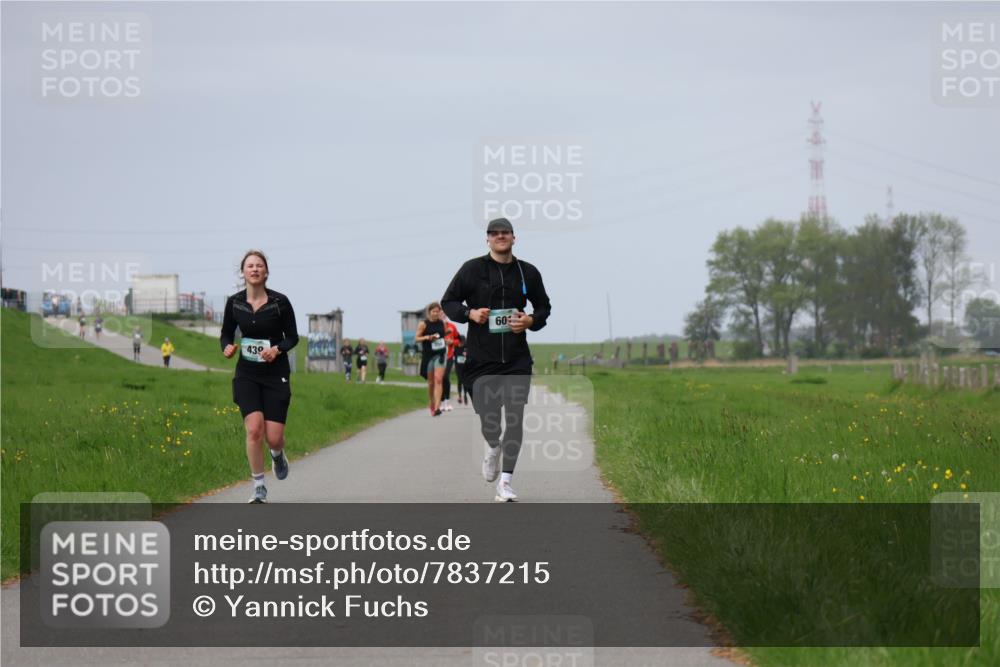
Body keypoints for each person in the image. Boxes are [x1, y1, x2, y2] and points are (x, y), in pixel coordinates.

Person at [442, 217, 551, 502]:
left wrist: (530, 320)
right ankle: (493, 447)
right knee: (491, 421)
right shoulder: (472, 269)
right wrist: (470, 314)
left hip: (516, 359)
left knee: (515, 419)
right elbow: (449, 302)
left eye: (506, 233)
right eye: (495, 233)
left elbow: (544, 307)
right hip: (481, 359)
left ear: (514, 238)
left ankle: (505, 482)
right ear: (487, 239)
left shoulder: (528, 273)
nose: (501, 237)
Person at [221, 249, 299, 504]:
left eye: (259, 266)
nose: (254, 269)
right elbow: (226, 333)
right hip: (247, 374)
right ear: (243, 272)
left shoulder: (280, 302)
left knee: (273, 437)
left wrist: (277, 350)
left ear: (266, 272)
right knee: (254, 430)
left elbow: (293, 337)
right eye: (250, 265)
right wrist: (227, 347)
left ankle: (277, 455)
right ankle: (259, 486)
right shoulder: (234, 302)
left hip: (276, 373)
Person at [415, 302, 448, 416]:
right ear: (429, 312)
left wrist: (446, 340)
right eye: (433, 311)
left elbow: (443, 337)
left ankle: (437, 408)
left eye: (437, 311)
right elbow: (417, 338)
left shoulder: (442, 323)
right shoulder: (423, 324)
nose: (435, 313)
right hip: (428, 355)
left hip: (439, 354)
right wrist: (427, 337)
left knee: (438, 379)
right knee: (431, 383)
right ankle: (432, 403)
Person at [440, 317, 460, 411]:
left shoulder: (452, 326)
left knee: (445, 377)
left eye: (443, 314)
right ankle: (441, 402)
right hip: (438, 356)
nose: (442, 316)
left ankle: (447, 401)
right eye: (440, 314)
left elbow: (459, 339)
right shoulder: (435, 327)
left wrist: (452, 342)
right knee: (439, 379)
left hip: (449, 356)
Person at [453, 334, 469, 404]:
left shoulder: (466, 347)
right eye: (461, 341)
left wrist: (467, 354)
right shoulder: (456, 347)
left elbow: (470, 355)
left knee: (464, 381)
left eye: (463, 341)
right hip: (458, 366)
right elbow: (453, 355)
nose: (462, 343)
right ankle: (459, 396)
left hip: (465, 367)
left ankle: (465, 395)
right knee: (459, 380)